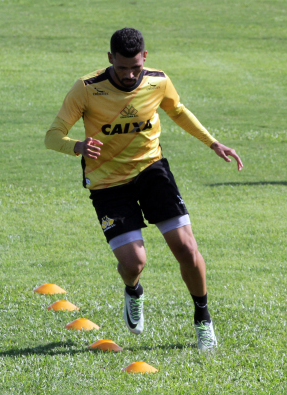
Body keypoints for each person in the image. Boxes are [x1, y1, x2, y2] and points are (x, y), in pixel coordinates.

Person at [44, 28, 243, 350]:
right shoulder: (86, 88)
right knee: (134, 263)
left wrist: (213, 143)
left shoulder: (158, 80)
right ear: (110, 60)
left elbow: (176, 110)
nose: (130, 75)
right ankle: (133, 290)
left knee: (187, 250)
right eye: (122, 68)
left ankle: (203, 318)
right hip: (108, 183)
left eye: (135, 67)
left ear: (145, 58)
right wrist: (78, 146)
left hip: (151, 171)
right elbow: (52, 135)